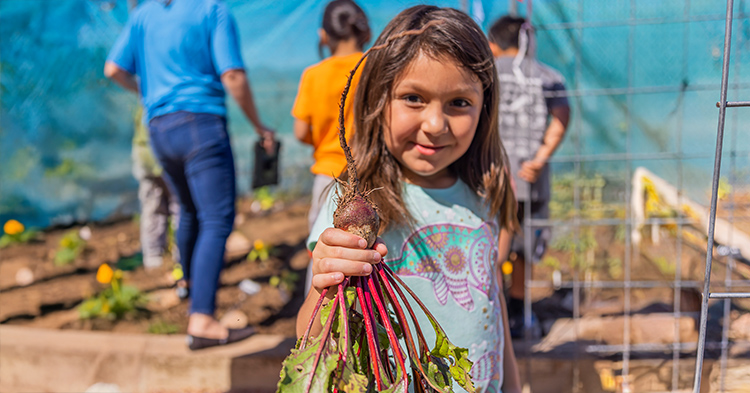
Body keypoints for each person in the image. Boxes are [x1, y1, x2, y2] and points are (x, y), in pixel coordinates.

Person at [296, 6, 521, 392]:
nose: (435, 125)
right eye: (414, 98)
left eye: (459, 103)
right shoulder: (357, 208)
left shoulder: (485, 193)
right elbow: (311, 336)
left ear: (485, 108)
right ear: (378, 100)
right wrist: (325, 283)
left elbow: (493, 301)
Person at [104, 0, 275, 350]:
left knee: (189, 211)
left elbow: (113, 69)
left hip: (160, 129)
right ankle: (202, 320)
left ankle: (187, 287)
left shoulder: (144, 15)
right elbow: (232, 75)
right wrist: (259, 126)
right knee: (217, 219)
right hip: (201, 123)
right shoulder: (211, 9)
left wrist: (148, 94)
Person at [488, 15, 570, 338]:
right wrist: (539, 158)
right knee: (523, 246)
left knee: (492, 247)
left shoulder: (487, 73)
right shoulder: (547, 75)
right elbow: (562, 116)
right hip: (530, 180)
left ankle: (493, 309)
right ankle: (521, 315)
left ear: (493, 43)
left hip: (492, 178)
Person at [291, 0, 370, 292]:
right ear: (364, 32)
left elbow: (300, 131)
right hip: (369, 175)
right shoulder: (372, 67)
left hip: (328, 177)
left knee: (321, 250)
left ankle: (316, 321)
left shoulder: (314, 74)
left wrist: (322, 139)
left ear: (323, 35)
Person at [131, 105, 180, 270]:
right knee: (179, 206)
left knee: (153, 207)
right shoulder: (170, 93)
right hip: (166, 153)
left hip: (145, 156)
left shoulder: (146, 90)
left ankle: (153, 255)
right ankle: (180, 254)